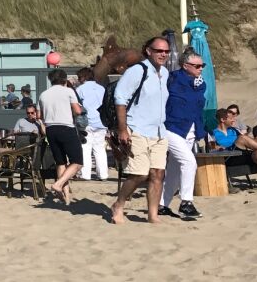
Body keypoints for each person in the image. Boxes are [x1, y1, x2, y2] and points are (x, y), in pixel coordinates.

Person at [110, 36, 171, 225]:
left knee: (158, 174)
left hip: (160, 131)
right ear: (148, 50)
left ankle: (153, 214)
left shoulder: (165, 73)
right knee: (139, 174)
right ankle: (119, 204)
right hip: (137, 128)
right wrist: (122, 130)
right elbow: (120, 99)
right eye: (159, 50)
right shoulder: (137, 71)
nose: (163, 54)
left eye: (166, 51)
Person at [159, 48, 208, 219]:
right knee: (189, 162)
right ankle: (186, 202)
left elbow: (198, 107)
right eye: (197, 66)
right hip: (172, 127)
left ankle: (162, 204)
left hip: (191, 130)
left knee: (174, 169)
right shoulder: (172, 78)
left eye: (203, 65)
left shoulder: (201, 83)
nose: (201, 68)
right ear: (186, 65)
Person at [38, 69, 85, 202]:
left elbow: (38, 116)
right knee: (77, 162)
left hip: (50, 129)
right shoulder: (68, 91)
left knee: (61, 163)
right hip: (66, 128)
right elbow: (77, 110)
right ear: (64, 80)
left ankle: (66, 198)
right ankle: (58, 184)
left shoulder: (43, 94)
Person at [75, 67, 108, 181]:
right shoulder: (102, 89)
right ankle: (103, 174)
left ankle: (85, 174)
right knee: (100, 149)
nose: (79, 80)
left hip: (87, 121)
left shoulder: (80, 89)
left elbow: (77, 105)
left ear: (83, 77)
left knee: (85, 148)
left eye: (79, 77)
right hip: (101, 122)